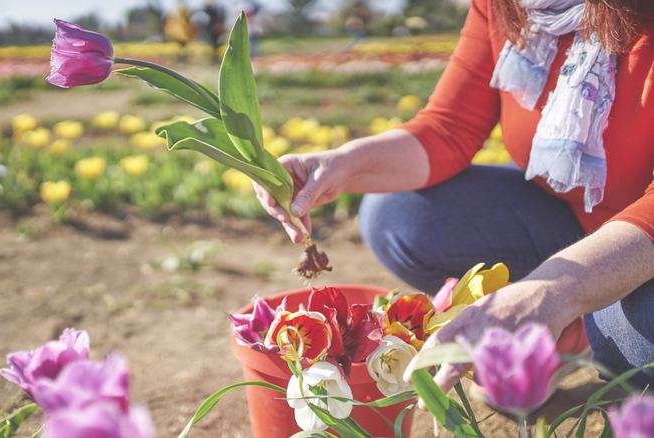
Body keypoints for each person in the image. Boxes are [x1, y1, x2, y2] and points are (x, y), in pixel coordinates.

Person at [254, 0, 654, 395]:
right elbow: (450, 127)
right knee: (399, 216)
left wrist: (557, 289)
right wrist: (343, 164)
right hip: (574, 220)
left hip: (642, 242)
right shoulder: (510, 5)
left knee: (636, 336)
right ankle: (575, 331)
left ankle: (589, 320)